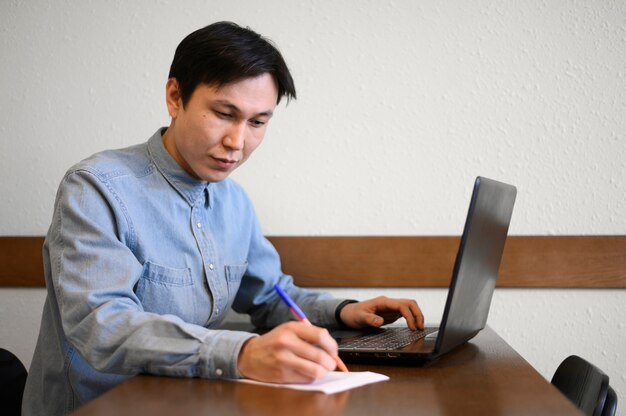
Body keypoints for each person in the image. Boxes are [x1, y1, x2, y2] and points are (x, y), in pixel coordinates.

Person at [22, 21, 424, 415]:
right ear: (175, 97)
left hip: (191, 402)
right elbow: (101, 324)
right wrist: (242, 352)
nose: (237, 142)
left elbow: (270, 297)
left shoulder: (234, 201)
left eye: (257, 122)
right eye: (223, 113)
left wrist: (343, 311)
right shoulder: (96, 187)